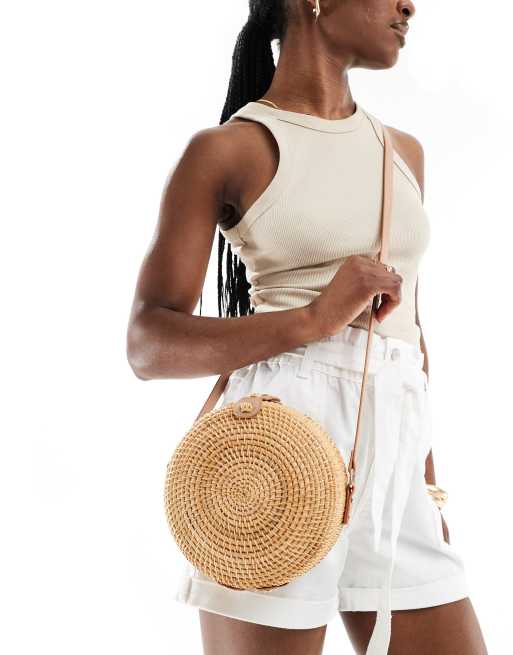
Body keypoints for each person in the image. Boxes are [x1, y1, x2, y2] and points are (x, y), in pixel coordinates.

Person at [126, 1, 488, 653]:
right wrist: (315, 318)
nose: (409, 5)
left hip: (393, 459)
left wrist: (424, 485)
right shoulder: (230, 149)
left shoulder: (402, 152)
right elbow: (148, 344)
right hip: (275, 448)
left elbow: (408, 331)